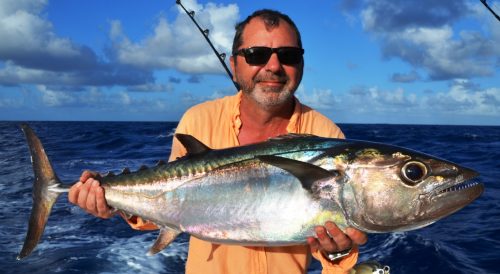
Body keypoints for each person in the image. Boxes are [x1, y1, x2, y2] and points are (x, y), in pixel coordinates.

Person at [69, 9, 367, 274]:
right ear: (235, 65)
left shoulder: (326, 135)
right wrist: (110, 200)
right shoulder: (199, 120)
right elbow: (173, 201)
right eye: (256, 55)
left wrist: (337, 250)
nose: (274, 66)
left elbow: (328, 242)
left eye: (288, 55)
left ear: (301, 64)